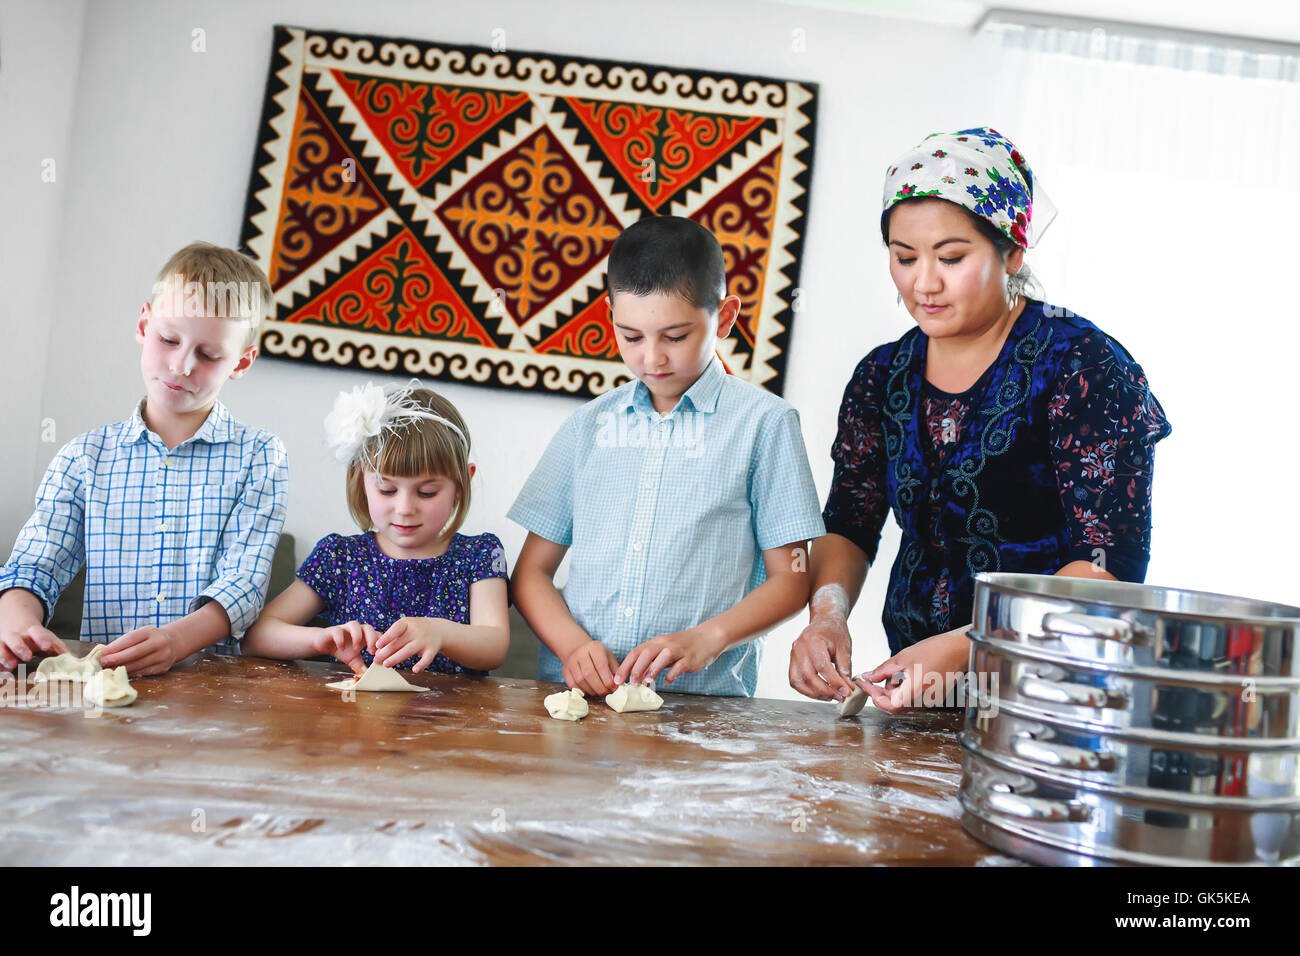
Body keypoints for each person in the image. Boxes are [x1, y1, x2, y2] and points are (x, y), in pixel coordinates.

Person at [788, 127, 1172, 712]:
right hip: (921, 696)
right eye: (903, 256)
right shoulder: (883, 375)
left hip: (1053, 702)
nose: (924, 283)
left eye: (951, 257)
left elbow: (1109, 563)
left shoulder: (1082, 366)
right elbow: (851, 519)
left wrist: (969, 647)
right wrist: (826, 617)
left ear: (1012, 251)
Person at [509, 216, 825, 698]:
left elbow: (793, 578)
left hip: (703, 706)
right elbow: (531, 572)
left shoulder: (766, 426)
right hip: (579, 702)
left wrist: (708, 639)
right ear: (609, 314)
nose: (652, 359)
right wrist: (573, 647)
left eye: (675, 337)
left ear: (724, 316)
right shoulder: (587, 426)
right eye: (631, 336)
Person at [0, 241, 288, 675]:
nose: (181, 365)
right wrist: (17, 620)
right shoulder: (84, 458)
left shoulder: (261, 457)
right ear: (143, 323)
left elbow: (242, 586)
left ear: (241, 363)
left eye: (209, 355)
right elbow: (35, 565)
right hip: (100, 686)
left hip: (208, 694)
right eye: (168, 338)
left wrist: (175, 641)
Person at [244, 382, 509, 676]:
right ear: (361, 480)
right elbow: (257, 637)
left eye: (427, 492)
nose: (405, 508)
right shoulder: (340, 557)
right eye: (387, 489)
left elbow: (494, 645)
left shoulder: (479, 555)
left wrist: (440, 632)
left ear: (462, 485)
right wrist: (320, 639)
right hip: (356, 718)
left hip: (453, 720)